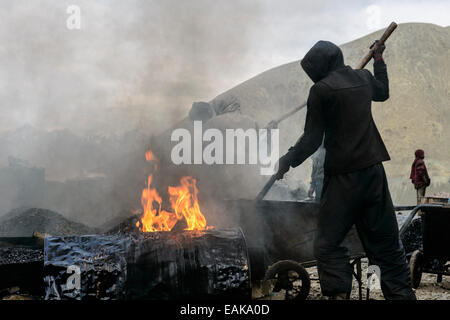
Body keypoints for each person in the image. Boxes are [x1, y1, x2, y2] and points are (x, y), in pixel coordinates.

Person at [274, 40, 416, 300]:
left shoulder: (321, 90)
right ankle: (402, 296)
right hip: (373, 173)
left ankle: (338, 295)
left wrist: (287, 160)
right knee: (386, 247)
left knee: (327, 245)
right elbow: (382, 91)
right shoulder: (362, 78)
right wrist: (379, 60)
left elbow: (312, 140)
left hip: (343, 179)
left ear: (321, 67)